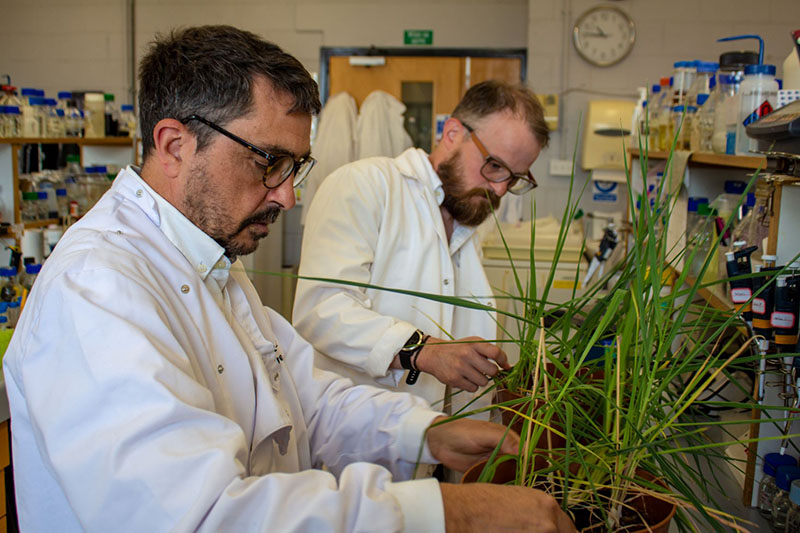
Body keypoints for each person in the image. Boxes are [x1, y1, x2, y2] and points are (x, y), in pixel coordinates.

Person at [2, 26, 573, 533]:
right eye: (268, 161)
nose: (288, 195)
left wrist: (423, 433)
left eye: (295, 167)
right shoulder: (97, 288)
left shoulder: (209, 259)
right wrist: (446, 514)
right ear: (175, 145)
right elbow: (202, 517)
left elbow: (302, 394)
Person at [293, 81, 549, 414]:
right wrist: (422, 350)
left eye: (514, 178)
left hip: (445, 440)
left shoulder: (469, 217)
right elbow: (321, 311)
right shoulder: (364, 184)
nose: (500, 190)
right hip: (360, 435)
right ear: (454, 133)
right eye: (495, 166)